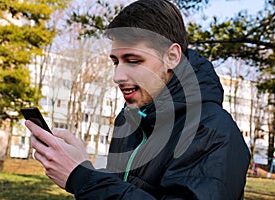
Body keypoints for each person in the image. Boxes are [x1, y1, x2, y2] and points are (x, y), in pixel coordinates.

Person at [25, 0, 250, 199]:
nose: (117, 77)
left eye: (133, 60)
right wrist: (84, 169)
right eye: (116, 61)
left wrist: (82, 179)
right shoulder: (128, 118)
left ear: (172, 57)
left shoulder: (213, 132)